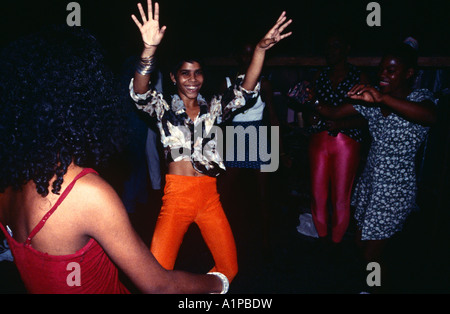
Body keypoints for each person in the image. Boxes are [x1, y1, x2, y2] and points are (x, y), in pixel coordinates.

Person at [0, 24, 227, 294]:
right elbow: (159, 286)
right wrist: (219, 282)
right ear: (82, 102)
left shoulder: (8, 182)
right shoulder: (87, 194)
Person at [129, 0, 292, 283]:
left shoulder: (213, 108)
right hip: (176, 197)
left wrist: (260, 50)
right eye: (185, 73)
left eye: (198, 72)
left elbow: (245, 89)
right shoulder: (163, 109)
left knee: (229, 269)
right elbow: (140, 93)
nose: (193, 79)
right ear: (173, 77)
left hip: (209, 197)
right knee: (156, 275)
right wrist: (149, 49)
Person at [313, 42, 437, 285]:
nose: (382, 75)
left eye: (391, 71)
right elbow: (334, 113)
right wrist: (312, 101)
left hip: (395, 190)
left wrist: (383, 98)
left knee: (371, 254)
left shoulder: (420, 98)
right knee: (361, 244)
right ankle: (372, 285)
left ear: (408, 73)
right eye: (381, 69)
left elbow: (430, 116)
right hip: (370, 183)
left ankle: (374, 289)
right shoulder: (372, 100)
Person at [290, 30, 369, 245]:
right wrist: (311, 116)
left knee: (341, 198)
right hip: (319, 140)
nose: (331, 51)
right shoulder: (320, 76)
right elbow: (309, 111)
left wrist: (341, 124)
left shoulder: (358, 77)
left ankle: (336, 244)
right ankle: (324, 241)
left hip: (346, 141)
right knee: (317, 195)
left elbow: (367, 117)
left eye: (336, 46)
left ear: (346, 49)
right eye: (328, 47)